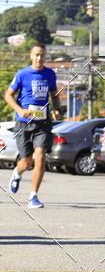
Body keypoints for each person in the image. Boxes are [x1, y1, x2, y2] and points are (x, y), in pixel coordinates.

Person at [5, 44, 60, 209]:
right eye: (36, 55)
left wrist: (56, 109)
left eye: (42, 55)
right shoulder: (22, 74)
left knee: (40, 156)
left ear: (45, 57)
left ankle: (33, 196)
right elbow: (8, 95)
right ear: (31, 56)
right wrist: (20, 110)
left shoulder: (50, 74)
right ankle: (17, 173)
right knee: (26, 162)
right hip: (24, 123)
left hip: (43, 123)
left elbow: (54, 95)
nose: (39, 58)